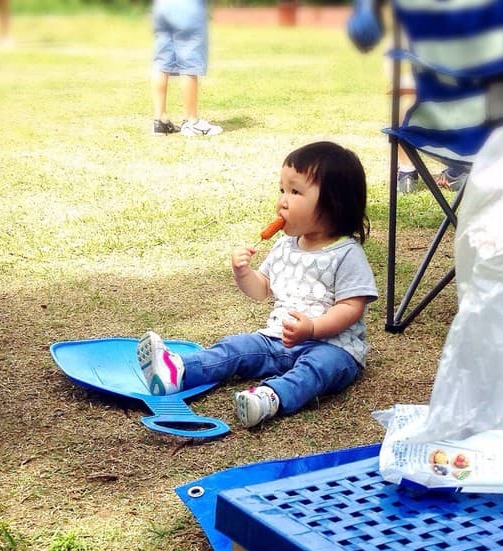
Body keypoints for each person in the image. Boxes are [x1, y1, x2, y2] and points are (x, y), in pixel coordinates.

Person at [137, 141, 378, 428]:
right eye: (282, 190)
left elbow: (351, 307)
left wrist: (312, 329)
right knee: (236, 347)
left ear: (334, 203)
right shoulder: (285, 245)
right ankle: (178, 372)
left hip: (332, 346)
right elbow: (262, 289)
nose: (283, 201)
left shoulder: (346, 252)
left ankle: (269, 398)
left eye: (295, 192)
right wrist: (243, 274)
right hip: (276, 339)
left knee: (318, 370)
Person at [151, 0, 222, 137]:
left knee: (162, 61)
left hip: (162, 6)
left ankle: (160, 120)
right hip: (187, 6)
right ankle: (192, 121)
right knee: (189, 61)